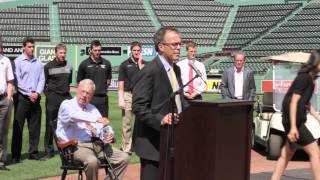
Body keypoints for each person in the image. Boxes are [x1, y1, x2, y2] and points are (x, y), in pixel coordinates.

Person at [132, 27, 188, 180]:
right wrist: (160, 119)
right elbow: (138, 106)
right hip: (152, 144)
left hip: (171, 140)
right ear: (161, 47)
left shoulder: (175, 69)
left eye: (179, 44)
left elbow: (179, 100)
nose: (178, 48)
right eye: (174, 44)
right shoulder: (149, 71)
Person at [56, 79, 129, 180]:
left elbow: (104, 127)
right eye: (83, 91)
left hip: (97, 145)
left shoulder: (92, 108)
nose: (84, 95)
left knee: (123, 158)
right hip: (76, 146)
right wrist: (97, 119)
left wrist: (109, 134)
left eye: (88, 93)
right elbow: (74, 115)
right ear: (77, 90)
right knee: (92, 161)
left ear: (92, 96)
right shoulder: (67, 105)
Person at [271, 50, 320, 180]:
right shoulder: (303, 78)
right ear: (316, 63)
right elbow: (294, 101)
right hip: (294, 122)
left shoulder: (310, 79)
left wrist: (317, 117)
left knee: (286, 155)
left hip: (293, 121)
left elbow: (307, 103)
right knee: (315, 152)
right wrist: (293, 127)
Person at [11, 37, 45, 162]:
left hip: (35, 98)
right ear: (23, 47)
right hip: (22, 98)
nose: (32, 49)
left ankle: (34, 153)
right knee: (18, 127)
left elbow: (42, 79)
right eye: (29, 46)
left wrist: (37, 92)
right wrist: (29, 93)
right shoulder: (17, 61)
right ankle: (15, 155)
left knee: (35, 128)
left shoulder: (38, 62)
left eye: (33, 46)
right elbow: (17, 81)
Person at [43, 43, 72, 159]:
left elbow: (69, 83)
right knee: (50, 125)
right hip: (53, 98)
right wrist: (49, 96)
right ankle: (49, 151)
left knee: (67, 124)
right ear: (56, 53)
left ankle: (66, 148)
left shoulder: (69, 66)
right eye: (60, 53)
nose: (63, 55)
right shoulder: (48, 66)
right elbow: (44, 84)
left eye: (64, 53)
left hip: (65, 98)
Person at [118, 41, 147, 155]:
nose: (136, 52)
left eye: (138, 50)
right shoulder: (125, 64)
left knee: (142, 122)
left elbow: (146, 79)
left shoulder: (145, 64)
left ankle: (139, 146)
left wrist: (140, 65)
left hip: (141, 96)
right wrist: (121, 98)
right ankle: (126, 148)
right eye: (134, 50)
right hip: (128, 95)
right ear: (131, 51)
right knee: (127, 123)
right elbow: (121, 83)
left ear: (141, 51)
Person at [77, 40, 112, 117]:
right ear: (91, 50)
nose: (97, 52)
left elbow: (108, 81)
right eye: (95, 50)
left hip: (103, 99)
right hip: (89, 99)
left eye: (99, 50)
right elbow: (79, 83)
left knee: (103, 124)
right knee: (88, 124)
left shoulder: (107, 63)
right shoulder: (84, 64)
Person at [0, 40, 14, 170]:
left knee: (3, 131)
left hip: (4, 99)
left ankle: (1, 160)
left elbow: (10, 81)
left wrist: (9, 98)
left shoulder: (6, 60)